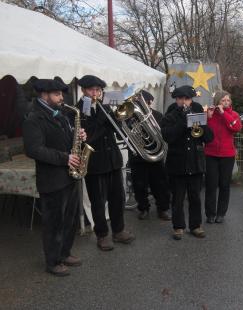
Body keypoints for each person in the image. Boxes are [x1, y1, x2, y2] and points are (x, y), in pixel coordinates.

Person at [23, 78, 86, 276]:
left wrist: (78, 134)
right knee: (53, 224)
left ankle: (65, 253)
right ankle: (52, 261)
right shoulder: (33, 118)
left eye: (62, 94)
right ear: (44, 95)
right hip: (52, 180)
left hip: (69, 177)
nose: (62, 98)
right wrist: (65, 158)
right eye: (57, 94)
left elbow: (64, 139)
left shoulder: (61, 114)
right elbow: (34, 150)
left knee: (70, 219)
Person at [76, 75, 135, 251]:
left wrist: (119, 119)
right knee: (98, 201)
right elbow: (90, 137)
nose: (96, 94)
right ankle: (102, 235)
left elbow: (116, 133)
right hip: (94, 163)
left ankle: (119, 230)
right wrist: (105, 117)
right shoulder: (79, 111)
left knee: (117, 199)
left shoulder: (107, 107)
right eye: (92, 90)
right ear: (83, 91)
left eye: (99, 90)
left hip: (113, 161)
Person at [161, 85, 213, 240]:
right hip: (177, 163)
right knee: (177, 198)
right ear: (176, 100)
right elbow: (167, 136)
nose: (184, 102)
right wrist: (183, 123)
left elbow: (209, 138)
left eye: (187, 99)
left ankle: (196, 226)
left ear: (191, 100)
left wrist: (203, 124)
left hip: (196, 162)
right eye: (180, 99)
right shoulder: (170, 115)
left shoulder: (197, 112)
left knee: (195, 197)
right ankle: (178, 227)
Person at [128, 90, 171, 221]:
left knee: (160, 184)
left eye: (144, 103)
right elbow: (123, 135)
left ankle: (162, 208)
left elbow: (164, 135)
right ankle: (143, 208)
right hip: (138, 156)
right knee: (139, 185)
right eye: (137, 103)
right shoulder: (130, 117)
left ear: (150, 102)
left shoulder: (158, 115)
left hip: (155, 156)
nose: (140, 106)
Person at [204, 90, 242, 223]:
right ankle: (210, 213)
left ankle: (221, 213)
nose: (226, 103)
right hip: (211, 153)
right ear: (217, 102)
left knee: (224, 185)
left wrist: (224, 114)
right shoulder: (210, 114)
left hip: (227, 155)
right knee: (211, 184)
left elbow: (236, 127)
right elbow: (202, 132)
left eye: (228, 100)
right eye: (223, 100)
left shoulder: (234, 114)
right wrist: (207, 118)